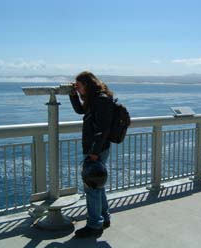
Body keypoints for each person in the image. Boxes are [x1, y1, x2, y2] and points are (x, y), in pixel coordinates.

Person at [69, 71, 114, 238]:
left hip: (97, 149)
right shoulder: (94, 99)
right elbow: (81, 111)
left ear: (87, 84)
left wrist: (94, 153)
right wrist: (73, 96)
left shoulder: (101, 100)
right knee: (97, 185)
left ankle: (95, 225)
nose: (78, 89)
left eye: (79, 86)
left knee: (92, 188)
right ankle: (105, 218)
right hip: (96, 148)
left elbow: (103, 129)